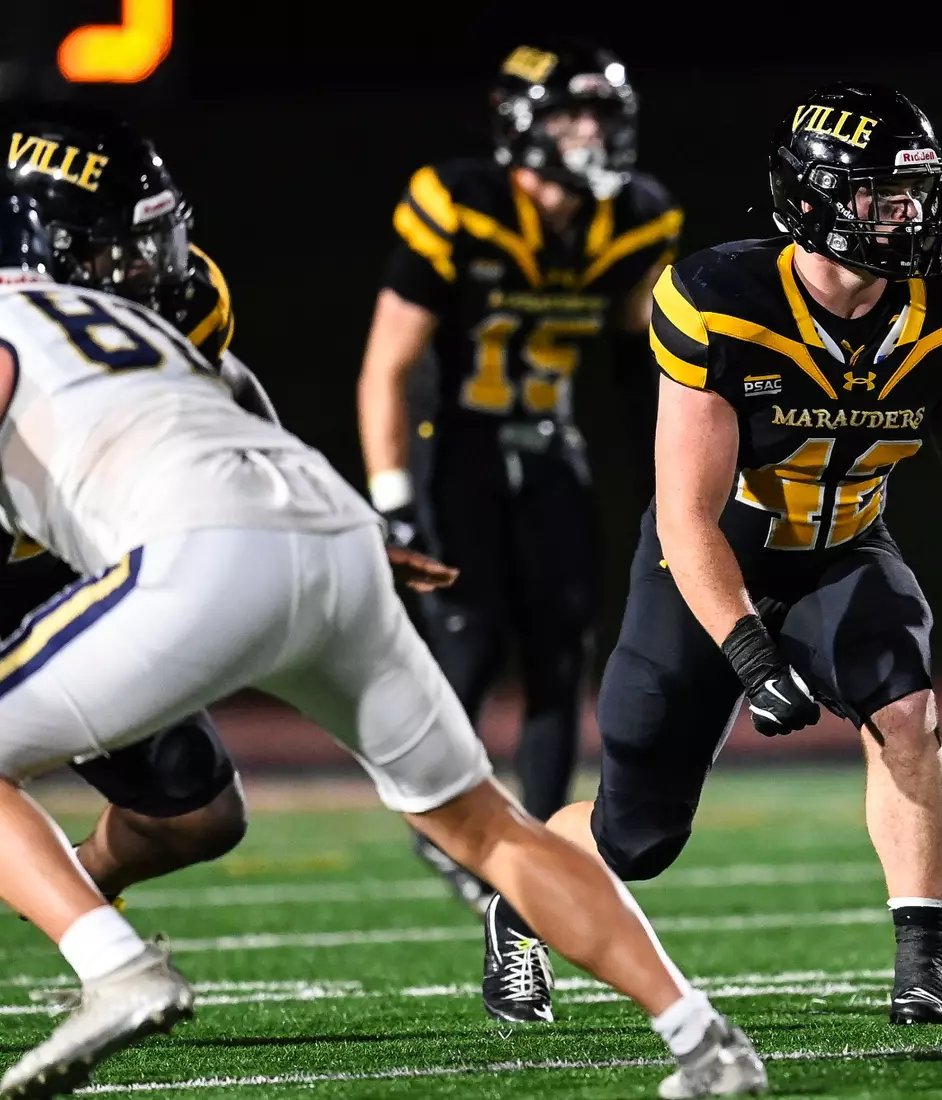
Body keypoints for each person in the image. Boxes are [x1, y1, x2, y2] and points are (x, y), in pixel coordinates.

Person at [0, 133, 763, 1099]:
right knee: (489, 828)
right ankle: (705, 1041)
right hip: (330, 531)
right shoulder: (157, 318)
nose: (144, 262)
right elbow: (241, 418)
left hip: (202, 552)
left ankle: (115, 967)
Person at [546, 82, 942, 1028]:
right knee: (639, 835)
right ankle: (518, 900)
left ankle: (923, 962)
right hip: (714, 554)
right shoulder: (720, 300)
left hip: (846, 543)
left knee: (907, 707)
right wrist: (751, 655)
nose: (908, 214)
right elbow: (686, 516)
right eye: (882, 194)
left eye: (916, 192)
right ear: (812, 199)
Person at [355, 40, 681, 1004]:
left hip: (550, 449)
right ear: (523, 122)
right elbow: (388, 360)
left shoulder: (635, 215)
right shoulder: (461, 199)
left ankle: (530, 873)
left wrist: (681, 467)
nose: (593, 134)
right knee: (466, 650)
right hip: (454, 448)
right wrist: (394, 497)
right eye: (572, 114)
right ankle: (443, 820)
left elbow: (639, 363)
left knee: (559, 660)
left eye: (601, 114)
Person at [0, 103, 276, 913]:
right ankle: (103, 955)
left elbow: (230, 385)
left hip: (47, 573)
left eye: (153, 240)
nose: (148, 269)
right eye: (114, 250)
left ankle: (73, 898)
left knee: (196, 811)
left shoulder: (179, 303)